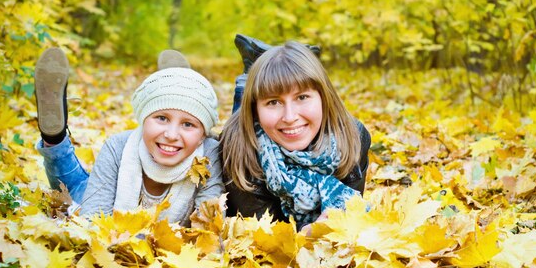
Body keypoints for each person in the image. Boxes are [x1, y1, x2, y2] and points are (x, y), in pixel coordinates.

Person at [34, 48, 223, 226]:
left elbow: (210, 232)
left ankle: (178, 84)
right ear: (143, 120)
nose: (171, 135)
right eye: (162, 118)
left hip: (170, 248)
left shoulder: (208, 154)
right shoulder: (118, 145)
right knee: (75, 188)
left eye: (188, 124)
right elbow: (93, 221)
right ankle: (55, 137)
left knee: (75, 184)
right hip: (104, 193)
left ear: (202, 135)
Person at [221, 36, 371, 229]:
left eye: (302, 97)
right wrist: (307, 236)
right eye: (273, 102)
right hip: (247, 134)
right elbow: (265, 236)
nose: (290, 117)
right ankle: (250, 76)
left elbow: (353, 212)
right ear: (256, 110)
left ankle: (273, 62)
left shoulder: (353, 136)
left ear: (325, 98)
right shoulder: (237, 147)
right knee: (243, 104)